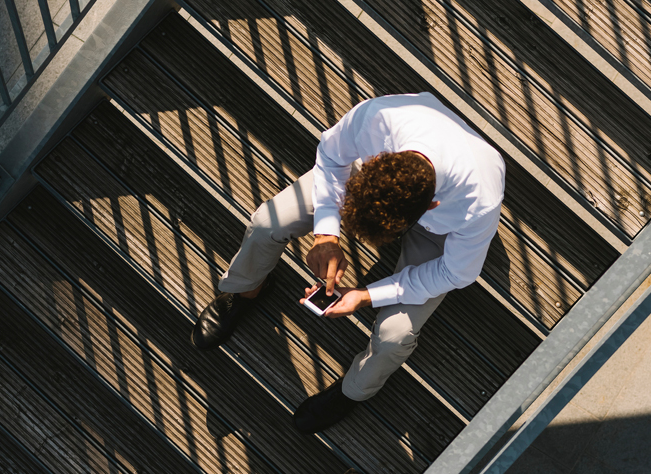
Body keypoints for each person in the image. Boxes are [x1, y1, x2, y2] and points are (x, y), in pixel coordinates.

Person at [191, 92, 505, 433]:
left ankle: (353, 391)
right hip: (382, 188)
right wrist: (326, 234)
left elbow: (457, 271)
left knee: (393, 335)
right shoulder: (380, 117)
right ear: (374, 161)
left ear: (431, 206)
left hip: (441, 234)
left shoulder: (479, 199)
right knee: (268, 223)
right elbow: (331, 156)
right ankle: (247, 290)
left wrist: (366, 295)